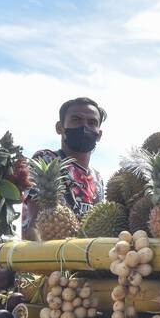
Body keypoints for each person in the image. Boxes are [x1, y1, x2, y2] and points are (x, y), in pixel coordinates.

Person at [20, 97, 105, 240]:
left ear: (99, 135)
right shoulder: (47, 160)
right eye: (76, 120)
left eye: (92, 123)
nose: (84, 127)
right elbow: (37, 222)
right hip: (48, 252)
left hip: (87, 255)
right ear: (60, 127)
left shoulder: (97, 178)